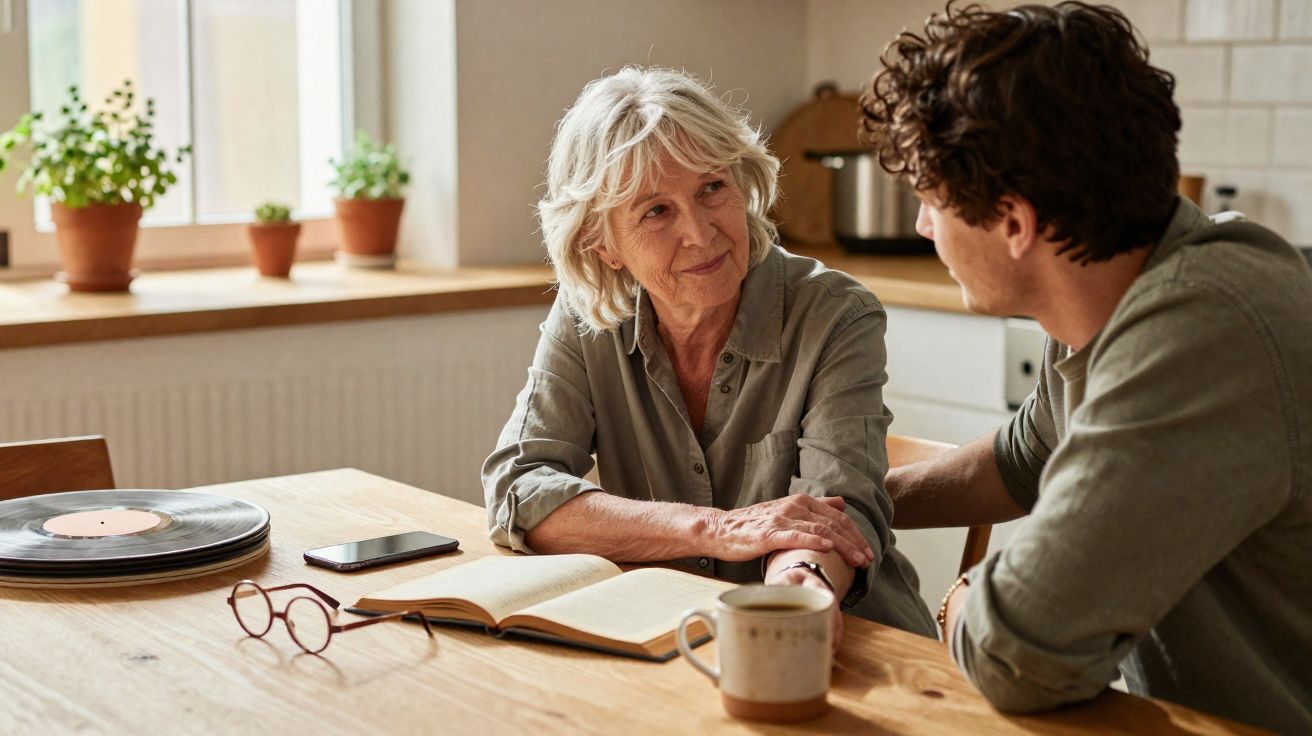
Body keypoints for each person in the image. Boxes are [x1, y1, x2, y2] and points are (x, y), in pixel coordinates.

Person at [859, 2, 1312, 732]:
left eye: (930, 201)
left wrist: (965, 596)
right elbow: (1026, 457)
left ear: (1013, 222)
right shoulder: (1120, 288)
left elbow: (1016, 655)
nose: (921, 227)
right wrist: (854, 500)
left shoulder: (1202, 329)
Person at [482, 66, 935, 642]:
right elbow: (518, 488)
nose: (701, 232)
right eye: (656, 211)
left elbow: (834, 509)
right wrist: (714, 529)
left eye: (712, 189)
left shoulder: (834, 314)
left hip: (846, 643)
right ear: (603, 243)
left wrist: (801, 580)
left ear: (742, 184)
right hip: (672, 638)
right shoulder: (585, 317)